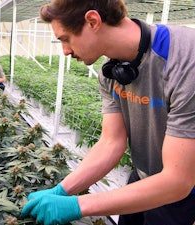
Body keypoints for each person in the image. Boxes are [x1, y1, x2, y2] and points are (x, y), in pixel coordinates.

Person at [21, 0, 195, 225]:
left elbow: (177, 181)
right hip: (143, 175)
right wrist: (62, 190)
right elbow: (111, 142)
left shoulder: (185, 62)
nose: (65, 51)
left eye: (66, 39)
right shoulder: (110, 72)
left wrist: (79, 205)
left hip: (182, 191)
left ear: (92, 21)